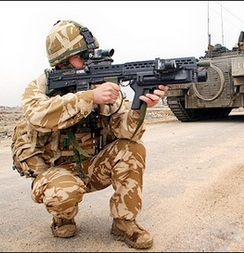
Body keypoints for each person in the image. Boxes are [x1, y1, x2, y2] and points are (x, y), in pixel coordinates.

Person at [11, 20, 169, 249]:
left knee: (132, 148)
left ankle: (124, 223)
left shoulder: (100, 83)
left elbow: (126, 132)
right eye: (82, 55)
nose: (89, 59)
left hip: (93, 167)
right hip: (56, 172)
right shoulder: (41, 86)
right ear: (61, 61)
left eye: (90, 53)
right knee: (63, 192)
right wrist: (89, 98)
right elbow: (38, 115)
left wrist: (140, 106)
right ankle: (62, 217)